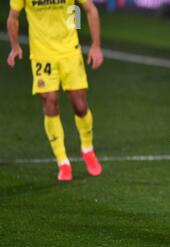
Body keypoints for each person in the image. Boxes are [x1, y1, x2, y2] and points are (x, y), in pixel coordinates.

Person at [7, 0, 104, 181]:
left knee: (80, 105)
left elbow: (90, 9)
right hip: (42, 55)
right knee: (49, 102)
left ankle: (87, 148)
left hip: (69, 51)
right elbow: (13, 17)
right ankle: (63, 161)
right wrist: (15, 46)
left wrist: (96, 45)